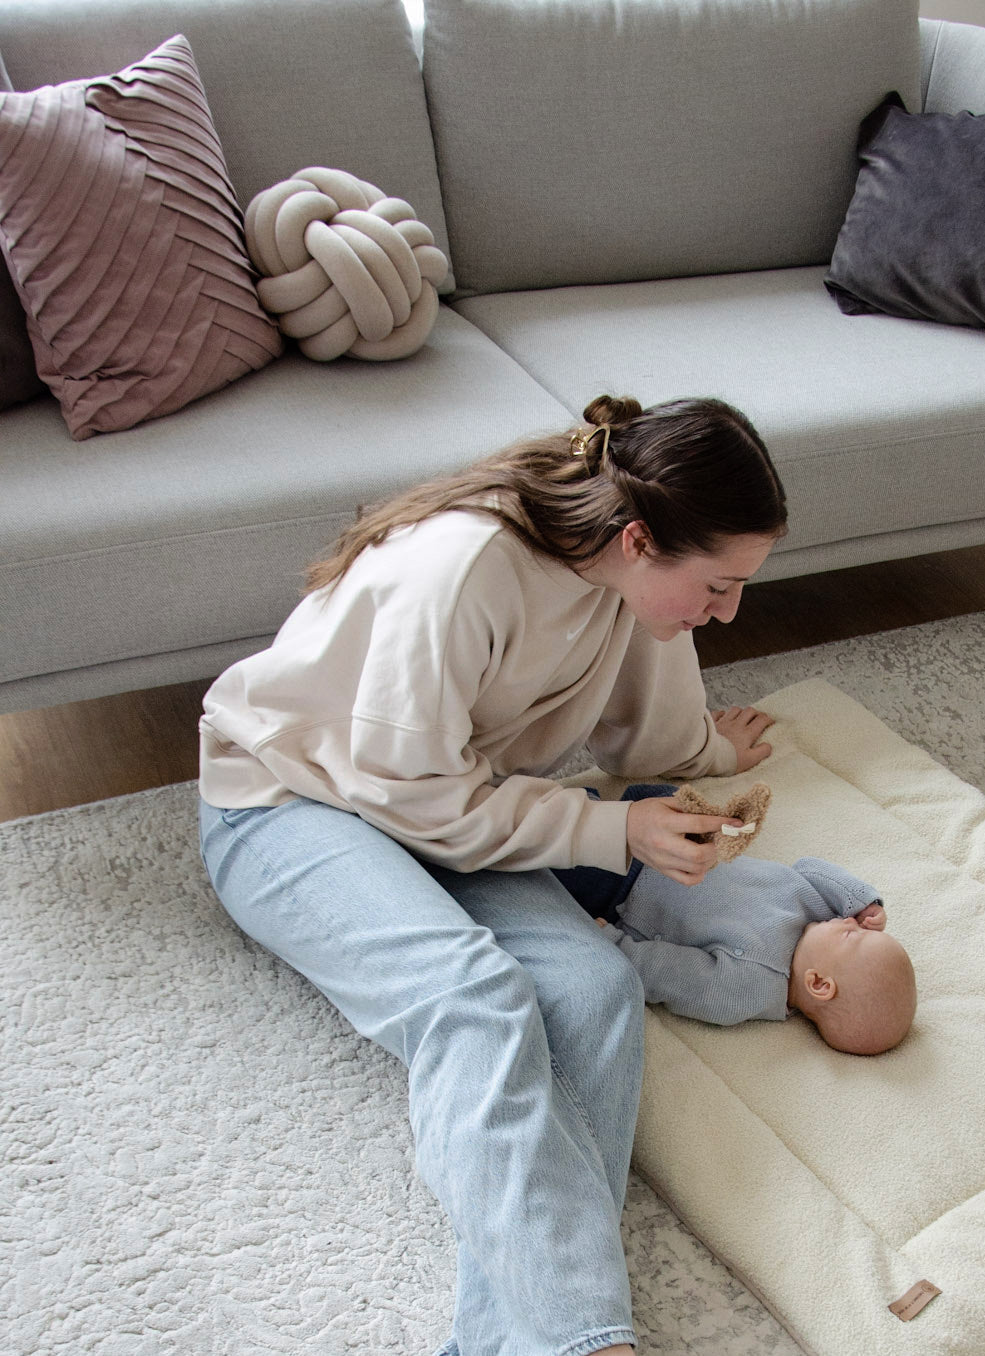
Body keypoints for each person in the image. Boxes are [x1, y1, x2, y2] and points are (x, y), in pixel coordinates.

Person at [196, 393, 788, 1356]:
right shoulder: (463, 568)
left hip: (447, 810)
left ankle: (524, 1339)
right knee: (476, 1000)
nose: (729, 610)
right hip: (286, 804)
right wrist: (613, 829)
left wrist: (710, 758)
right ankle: (592, 1344)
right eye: (718, 586)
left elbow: (652, 730)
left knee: (596, 989)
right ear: (640, 540)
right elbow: (414, 795)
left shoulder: (628, 584)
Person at [555, 787, 916, 1055]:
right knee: (655, 801)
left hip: (626, 888)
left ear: (819, 983)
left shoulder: (752, 987)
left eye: (852, 936)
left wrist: (616, 945)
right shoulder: (818, 913)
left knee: (563, 845)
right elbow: (810, 867)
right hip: (684, 846)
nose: (850, 923)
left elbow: (675, 975)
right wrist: (863, 900)